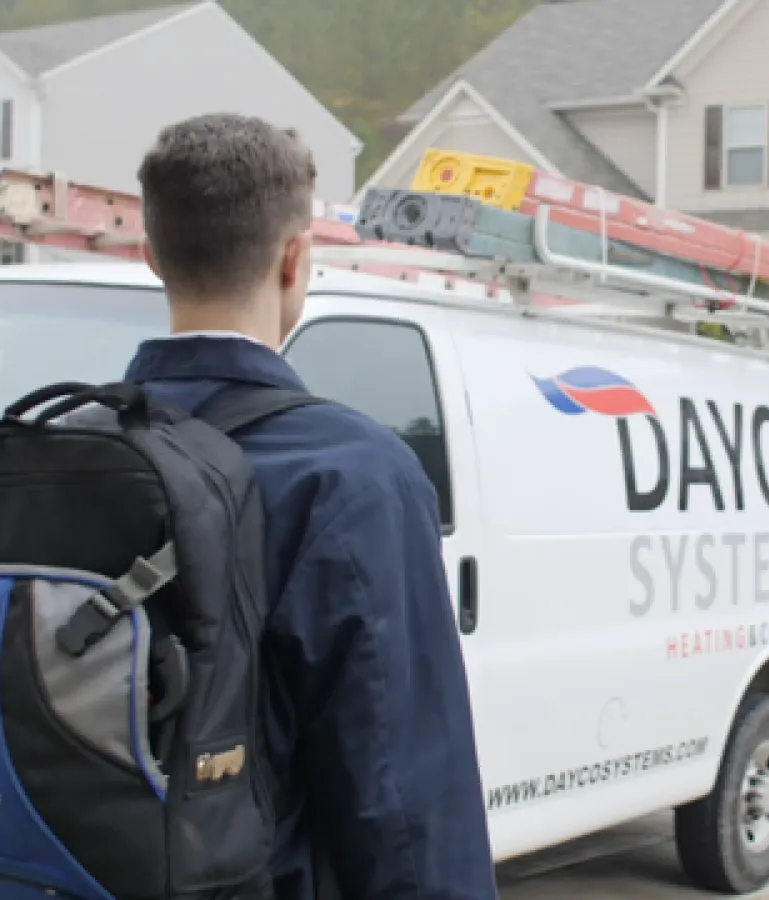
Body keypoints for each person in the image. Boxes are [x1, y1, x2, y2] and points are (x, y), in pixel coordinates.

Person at [126, 113, 498, 899]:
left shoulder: (51, 452)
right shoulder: (352, 480)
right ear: (296, 258)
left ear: (152, 256)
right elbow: (407, 816)